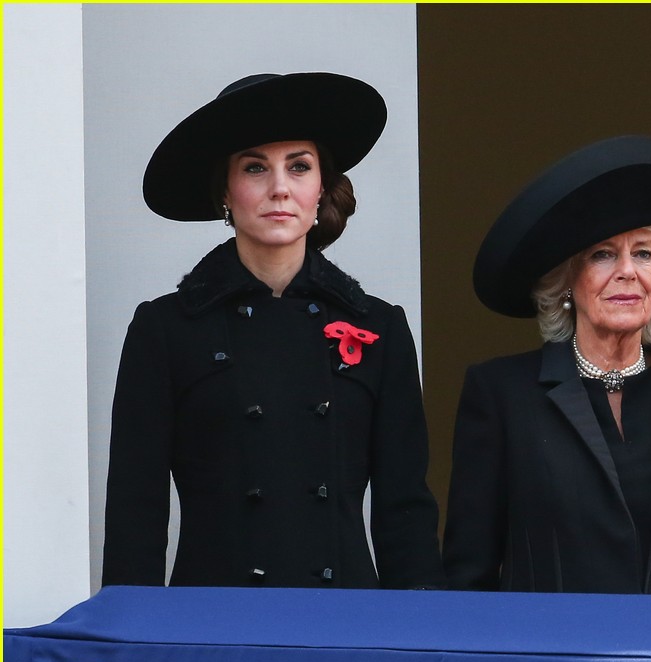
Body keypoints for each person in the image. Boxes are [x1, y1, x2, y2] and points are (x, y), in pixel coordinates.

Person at [102, 72, 443, 589]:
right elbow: (135, 511)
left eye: (299, 167)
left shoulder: (380, 328)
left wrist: (421, 644)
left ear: (321, 187)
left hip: (347, 623)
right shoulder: (166, 329)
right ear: (225, 190)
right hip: (211, 620)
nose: (280, 188)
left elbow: (405, 511)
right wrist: (134, 643)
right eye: (256, 167)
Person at [444, 136, 651, 594]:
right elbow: (468, 575)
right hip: (555, 661)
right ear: (565, 281)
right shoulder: (502, 394)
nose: (627, 271)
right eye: (602, 254)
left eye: (643, 253)